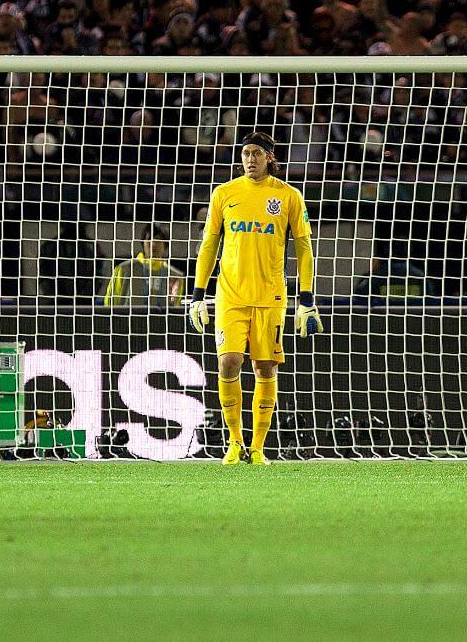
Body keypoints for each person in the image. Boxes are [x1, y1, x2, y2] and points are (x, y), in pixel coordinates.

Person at [189, 132, 323, 466]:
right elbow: (209, 245)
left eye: (257, 154)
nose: (250, 159)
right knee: (228, 361)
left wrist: (306, 298)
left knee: (265, 368)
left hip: (270, 296)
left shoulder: (288, 196)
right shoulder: (225, 193)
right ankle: (234, 442)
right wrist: (197, 295)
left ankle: (258, 447)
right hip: (230, 295)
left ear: (270, 158)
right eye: (246, 153)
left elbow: (304, 249)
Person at [103, 224, 185, 308]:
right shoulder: (125, 269)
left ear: (166, 244)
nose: (153, 244)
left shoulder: (175, 276)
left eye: (158, 239)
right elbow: (110, 303)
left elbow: (176, 307)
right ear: (143, 242)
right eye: (149, 239)